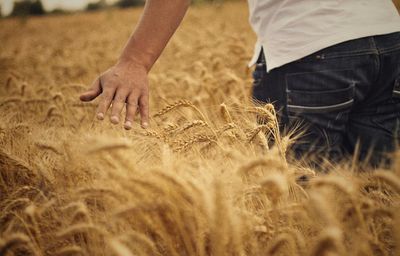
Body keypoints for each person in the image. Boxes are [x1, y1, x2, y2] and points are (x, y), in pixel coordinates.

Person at [80, 0, 400, 166]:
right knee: (370, 194)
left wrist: (135, 60)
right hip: (389, 41)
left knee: (303, 207)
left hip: (310, 48)